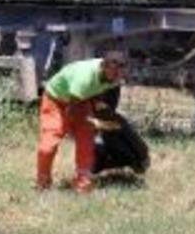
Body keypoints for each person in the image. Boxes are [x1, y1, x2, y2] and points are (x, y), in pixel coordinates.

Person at [36, 51, 127, 193]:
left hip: (83, 99)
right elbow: (72, 108)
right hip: (57, 100)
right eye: (114, 74)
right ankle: (43, 182)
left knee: (86, 140)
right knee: (49, 145)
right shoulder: (84, 78)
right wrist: (74, 129)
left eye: (119, 74)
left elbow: (106, 102)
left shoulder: (114, 77)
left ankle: (83, 183)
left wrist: (102, 120)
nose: (116, 78)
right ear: (103, 67)